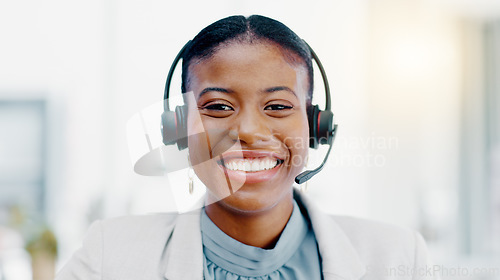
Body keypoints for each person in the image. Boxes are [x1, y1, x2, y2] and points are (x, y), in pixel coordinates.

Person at [56, 15, 437, 280]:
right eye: (218, 107)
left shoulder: (398, 257)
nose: (249, 132)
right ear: (177, 129)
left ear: (316, 126)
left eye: (277, 107)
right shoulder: (110, 257)